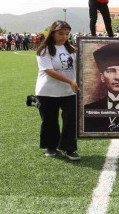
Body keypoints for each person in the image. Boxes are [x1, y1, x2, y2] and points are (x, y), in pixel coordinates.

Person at [34, 20, 80, 161]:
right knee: (49, 121)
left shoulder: (72, 49)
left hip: (69, 92)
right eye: (60, 33)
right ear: (52, 33)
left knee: (70, 121)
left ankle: (68, 148)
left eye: (67, 34)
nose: (64, 36)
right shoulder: (44, 50)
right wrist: (70, 81)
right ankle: (51, 147)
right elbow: (49, 71)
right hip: (47, 92)